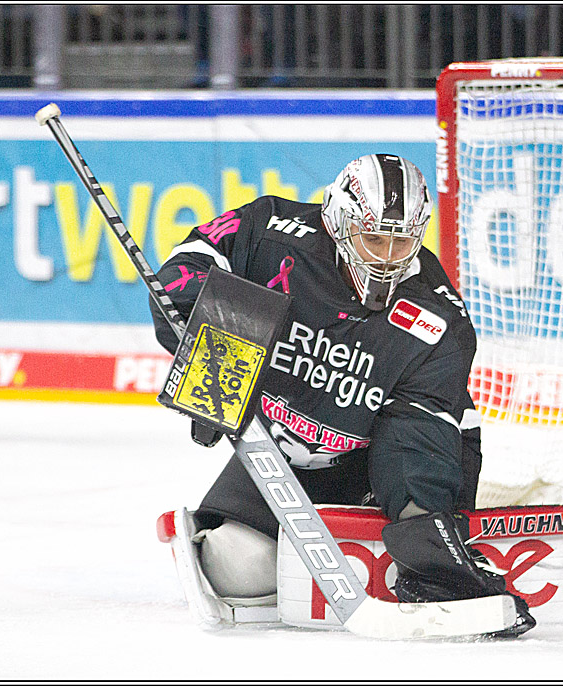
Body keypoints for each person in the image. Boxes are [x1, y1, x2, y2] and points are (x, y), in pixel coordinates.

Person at [151, 154, 534, 636]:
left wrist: (426, 535)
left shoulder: (437, 318)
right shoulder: (271, 230)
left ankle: (436, 541)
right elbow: (189, 265)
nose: (387, 258)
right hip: (277, 453)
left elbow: (416, 436)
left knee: (391, 567)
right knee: (237, 568)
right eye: (374, 238)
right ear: (339, 221)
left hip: (372, 465)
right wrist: (211, 356)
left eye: (402, 242)